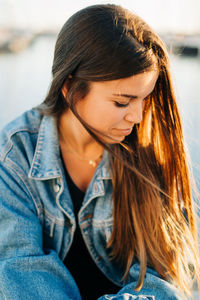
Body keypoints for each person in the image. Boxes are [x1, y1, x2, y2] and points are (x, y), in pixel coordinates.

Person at [0, 4, 199, 300]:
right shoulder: (17, 152)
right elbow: (19, 267)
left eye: (144, 99)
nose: (138, 117)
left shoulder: (152, 153)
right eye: (122, 102)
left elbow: (163, 279)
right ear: (70, 88)